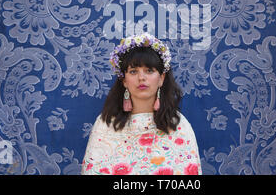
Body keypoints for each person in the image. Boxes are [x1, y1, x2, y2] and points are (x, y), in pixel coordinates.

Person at [81, 33, 202, 175]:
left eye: (149, 71)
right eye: (133, 71)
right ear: (124, 80)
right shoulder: (106, 124)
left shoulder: (178, 125)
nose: (141, 78)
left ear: (161, 78)